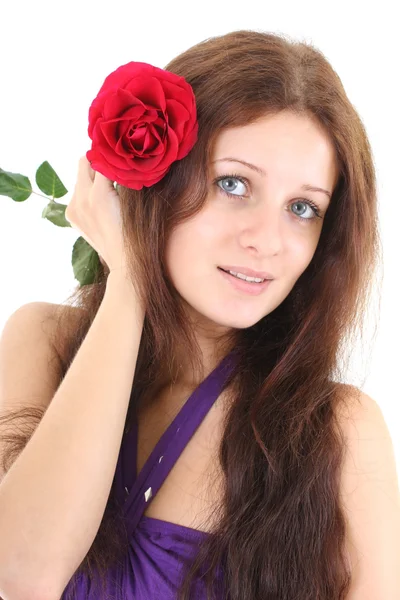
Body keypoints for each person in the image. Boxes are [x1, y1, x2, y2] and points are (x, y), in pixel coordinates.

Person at [0, 28, 399, 600]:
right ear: (155, 182)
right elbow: (23, 572)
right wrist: (132, 280)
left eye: (303, 208)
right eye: (233, 183)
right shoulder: (44, 341)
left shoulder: (341, 430)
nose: (267, 240)